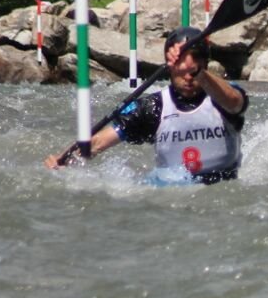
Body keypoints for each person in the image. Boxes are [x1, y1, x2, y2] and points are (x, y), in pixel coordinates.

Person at [45, 26, 247, 184]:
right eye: (181, 68)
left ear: (204, 67)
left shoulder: (221, 97)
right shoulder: (152, 107)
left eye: (194, 69)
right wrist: (64, 161)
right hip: (171, 191)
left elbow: (234, 101)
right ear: (169, 66)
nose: (188, 76)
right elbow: (98, 142)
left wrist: (199, 73)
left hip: (223, 183)